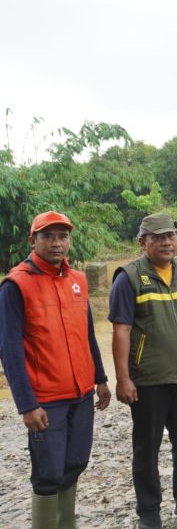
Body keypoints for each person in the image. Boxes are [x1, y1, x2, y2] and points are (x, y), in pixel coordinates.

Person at [0, 211, 111, 529]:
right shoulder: (16, 285)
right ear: (32, 240)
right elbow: (8, 350)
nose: (56, 243)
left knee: (76, 462)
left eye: (62, 236)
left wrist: (100, 379)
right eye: (47, 236)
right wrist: (26, 404)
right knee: (48, 472)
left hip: (80, 393)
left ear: (69, 240)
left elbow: (87, 334)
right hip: (45, 399)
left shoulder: (78, 280)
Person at [109, 212, 177, 529]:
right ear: (143, 242)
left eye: (171, 236)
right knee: (146, 447)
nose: (167, 242)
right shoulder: (128, 277)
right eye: (158, 237)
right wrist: (123, 378)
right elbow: (121, 330)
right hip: (149, 380)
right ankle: (149, 511)